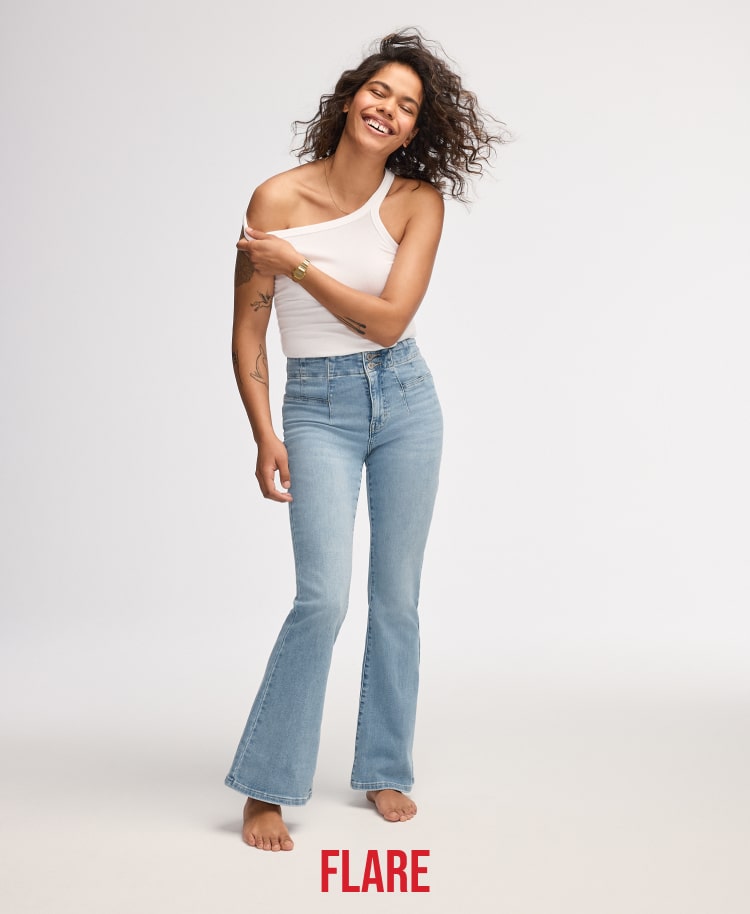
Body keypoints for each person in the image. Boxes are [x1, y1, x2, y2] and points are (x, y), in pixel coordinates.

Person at [225, 28, 506, 851]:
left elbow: (387, 323)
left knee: (397, 599)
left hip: (407, 400)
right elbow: (247, 335)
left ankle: (384, 764)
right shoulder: (275, 201)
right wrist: (264, 433)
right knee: (323, 597)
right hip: (317, 408)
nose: (389, 109)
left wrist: (298, 267)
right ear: (351, 97)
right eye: (380, 91)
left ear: (416, 128)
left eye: (407, 105)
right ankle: (266, 786)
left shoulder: (417, 202)